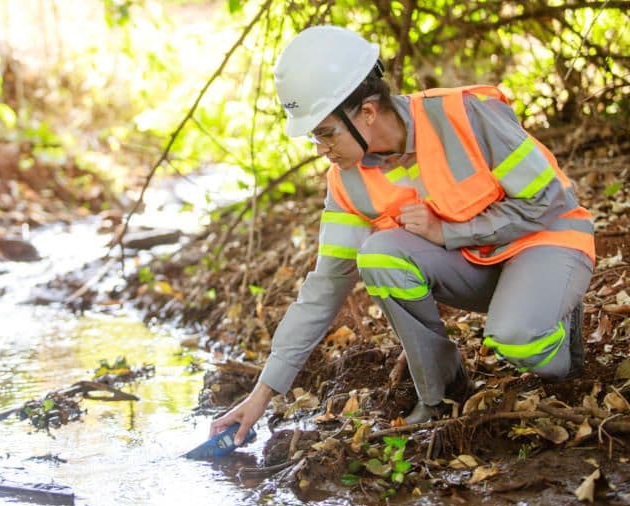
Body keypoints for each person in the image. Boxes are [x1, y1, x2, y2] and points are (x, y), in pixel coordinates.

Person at [210, 25, 594, 444]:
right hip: (480, 266)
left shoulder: (464, 114)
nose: (321, 148)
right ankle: (442, 393)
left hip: (549, 241)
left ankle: (557, 332)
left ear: (368, 112)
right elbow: (323, 288)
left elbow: (550, 199)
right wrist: (262, 394)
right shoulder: (346, 182)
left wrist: (449, 230)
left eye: (325, 132)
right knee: (378, 254)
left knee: (519, 340)